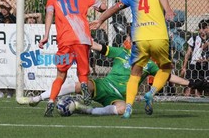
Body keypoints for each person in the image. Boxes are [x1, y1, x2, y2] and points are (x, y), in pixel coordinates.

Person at [26, 36, 207, 116]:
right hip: (104, 85)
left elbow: (167, 77)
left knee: (121, 109)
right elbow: (98, 47)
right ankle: (38, 98)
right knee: (81, 84)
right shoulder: (121, 52)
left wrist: (191, 82)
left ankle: (82, 109)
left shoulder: (149, 64)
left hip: (117, 97)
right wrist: (81, 38)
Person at [90, 0, 175, 118]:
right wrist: (168, 9)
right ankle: (151, 93)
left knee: (135, 73)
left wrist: (100, 20)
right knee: (166, 67)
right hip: (159, 37)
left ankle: (128, 107)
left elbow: (116, 8)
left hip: (140, 38)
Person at [39, 0, 106, 117]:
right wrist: (99, 8)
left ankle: (51, 101)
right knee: (83, 72)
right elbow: (103, 6)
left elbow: (49, 15)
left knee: (60, 75)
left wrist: (45, 36)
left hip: (65, 41)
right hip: (83, 39)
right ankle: (83, 86)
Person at [181, 19, 209, 96]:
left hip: (205, 66)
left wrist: (206, 59)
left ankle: (197, 104)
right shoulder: (194, 38)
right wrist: (184, 67)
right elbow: (188, 53)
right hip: (194, 65)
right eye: (200, 28)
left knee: (199, 88)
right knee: (189, 86)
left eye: (204, 28)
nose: (202, 30)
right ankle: (185, 101)